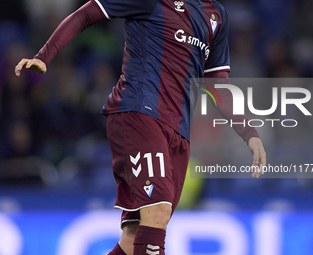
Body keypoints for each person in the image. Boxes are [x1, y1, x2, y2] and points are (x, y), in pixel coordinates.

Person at [15, 0, 266, 254]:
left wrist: (248, 133)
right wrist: (44, 55)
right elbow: (89, 12)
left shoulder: (216, 15)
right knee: (157, 211)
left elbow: (216, 82)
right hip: (139, 114)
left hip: (178, 131)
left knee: (134, 236)